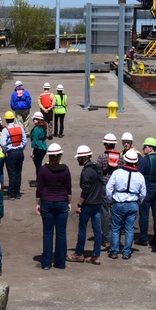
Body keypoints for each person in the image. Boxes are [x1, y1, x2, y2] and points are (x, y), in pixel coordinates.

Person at [105, 148, 146, 260]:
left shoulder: (117, 173)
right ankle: (126, 252)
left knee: (115, 228)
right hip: (132, 203)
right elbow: (143, 193)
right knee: (129, 229)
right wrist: (138, 202)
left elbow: (108, 189)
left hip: (118, 202)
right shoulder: (140, 176)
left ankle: (114, 251)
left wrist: (110, 201)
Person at [36, 142, 71, 270]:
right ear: (60, 156)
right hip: (62, 201)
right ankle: (60, 262)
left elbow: (39, 189)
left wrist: (37, 204)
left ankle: (46, 263)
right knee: (61, 233)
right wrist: (69, 202)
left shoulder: (43, 169)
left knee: (47, 232)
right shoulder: (65, 169)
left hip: (47, 202)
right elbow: (68, 188)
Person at [68, 144, 102, 265]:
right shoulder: (97, 168)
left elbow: (85, 190)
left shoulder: (86, 171)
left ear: (84, 158)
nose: (77, 160)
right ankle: (96, 255)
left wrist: (79, 204)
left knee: (82, 229)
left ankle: (79, 253)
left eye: (79, 158)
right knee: (97, 230)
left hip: (88, 204)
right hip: (97, 203)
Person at [137, 137, 156, 247]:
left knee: (144, 216)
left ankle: (143, 239)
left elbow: (138, 176)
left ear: (150, 148)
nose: (143, 148)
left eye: (145, 147)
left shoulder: (144, 160)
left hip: (146, 192)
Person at [95, 133, 120, 249]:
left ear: (105, 145)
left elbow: (97, 172)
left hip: (104, 186)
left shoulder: (101, 157)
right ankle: (116, 237)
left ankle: (106, 239)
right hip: (117, 188)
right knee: (116, 213)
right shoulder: (121, 157)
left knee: (104, 213)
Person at [0, 110, 26, 199]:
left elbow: (3, 143)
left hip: (11, 153)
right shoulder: (20, 127)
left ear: (6, 120)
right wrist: (21, 148)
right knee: (18, 173)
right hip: (19, 152)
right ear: (13, 119)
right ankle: (17, 192)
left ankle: (11, 194)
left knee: (12, 174)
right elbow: (24, 141)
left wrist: (6, 152)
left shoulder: (5, 130)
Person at [29, 111, 48, 182]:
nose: (33, 120)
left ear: (37, 120)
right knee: (39, 164)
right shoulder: (43, 127)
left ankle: (39, 180)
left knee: (38, 166)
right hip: (43, 147)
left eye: (34, 119)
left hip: (38, 148)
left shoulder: (36, 129)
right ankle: (40, 179)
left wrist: (31, 152)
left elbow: (34, 141)